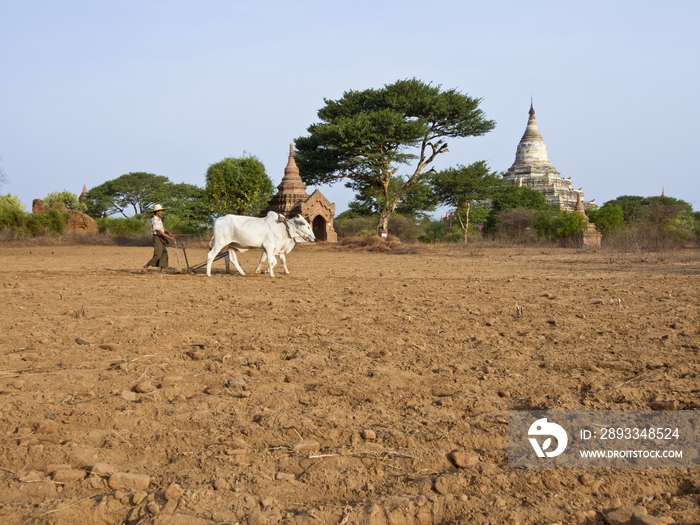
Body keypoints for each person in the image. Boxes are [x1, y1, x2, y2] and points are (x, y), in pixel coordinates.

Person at [141, 204, 176, 274]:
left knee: (164, 253)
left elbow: (160, 230)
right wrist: (169, 238)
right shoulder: (154, 220)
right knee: (158, 254)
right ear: (157, 212)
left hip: (161, 237)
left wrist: (166, 232)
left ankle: (162, 270)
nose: (162, 212)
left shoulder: (159, 220)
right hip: (157, 238)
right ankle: (146, 266)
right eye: (161, 211)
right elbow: (158, 231)